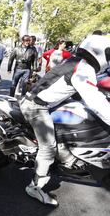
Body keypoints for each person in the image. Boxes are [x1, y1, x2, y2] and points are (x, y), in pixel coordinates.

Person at [20, 35, 110, 206]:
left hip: (42, 100)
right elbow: (96, 102)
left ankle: (65, 152)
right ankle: (34, 187)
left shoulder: (76, 62)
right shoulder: (83, 70)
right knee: (48, 148)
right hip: (36, 106)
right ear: (99, 52)